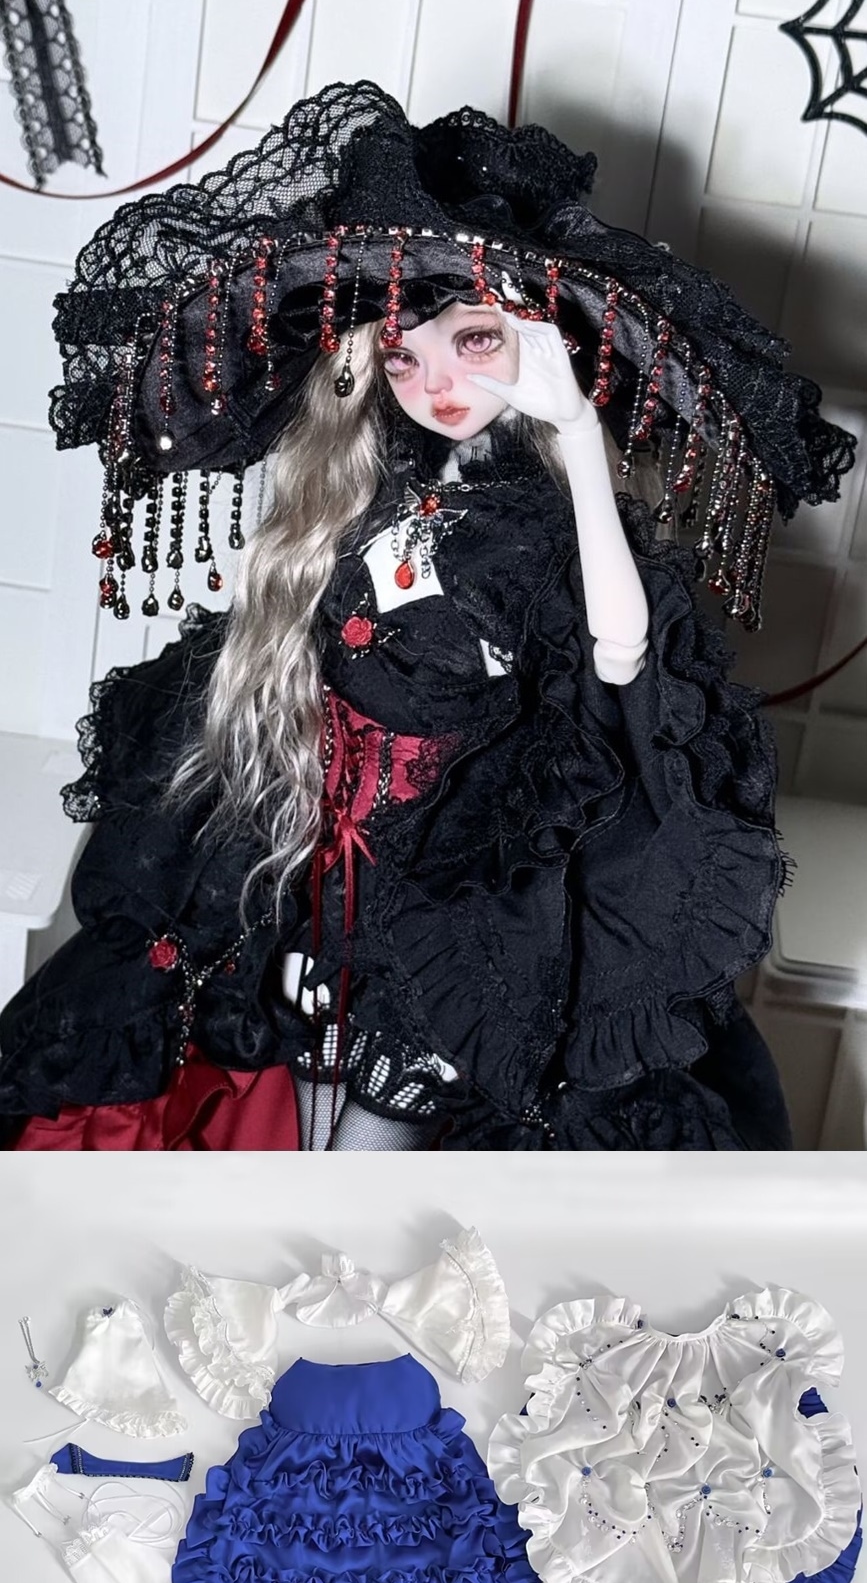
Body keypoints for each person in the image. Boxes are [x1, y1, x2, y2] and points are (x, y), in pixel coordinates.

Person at [0, 80, 850, 1153]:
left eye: (474, 341)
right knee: (253, 1115)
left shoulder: (536, 536)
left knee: (379, 1148)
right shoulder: (363, 498)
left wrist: (576, 435)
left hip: (453, 913)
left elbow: (623, 651)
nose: (433, 381)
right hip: (310, 877)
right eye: (403, 355)